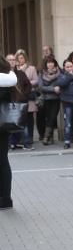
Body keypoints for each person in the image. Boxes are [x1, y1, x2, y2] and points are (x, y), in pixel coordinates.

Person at [0, 59, 18, 209]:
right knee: (3, 161)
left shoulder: (4, 81)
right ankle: (5, 198)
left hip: (1, 125)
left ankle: (5, 199)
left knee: (2, 161)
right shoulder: (8, 79)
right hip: (3, 126)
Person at [5, 54, 31, 149]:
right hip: (8, 102)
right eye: (9, 60)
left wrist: (23, 97)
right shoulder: (4, 74)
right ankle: (11, 143)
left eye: (13, 59)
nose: (12, 61)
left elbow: (28, 86)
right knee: (8, 123)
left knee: (22, 123)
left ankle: (26, 142)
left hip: (20, 102)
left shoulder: (20, 73)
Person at [15, 50, 37, 149]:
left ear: (25, 58)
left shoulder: (31, 68)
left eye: (22, 58)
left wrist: (26, 82)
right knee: (19, 119)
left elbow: (36, 80)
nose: (20, 60)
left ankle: (30, 137)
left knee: (29, 118)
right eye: (19, 58)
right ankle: (21, 138)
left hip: (29, 95)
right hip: (19, 97)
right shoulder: (14, 70)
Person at [38, 57, 62, 145]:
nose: (50, 64)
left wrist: (58, 88)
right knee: (49, 117)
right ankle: (50, 137)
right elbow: (41, 87)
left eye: (52, 62)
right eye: (48, 63)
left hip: (56, 98)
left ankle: (46, 137)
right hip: (46, 98)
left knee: (52, 117)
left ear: (54, 63)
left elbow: (62, 83)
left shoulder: (60, 72)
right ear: (46, 64)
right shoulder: (41, 73)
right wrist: (53, 88)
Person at [36, 45, 54, 141]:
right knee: (40, 115)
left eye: (47, 50)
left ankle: (49, 135)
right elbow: (39, 78)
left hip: (52, 95)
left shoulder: (55, 63)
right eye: (43, 51)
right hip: (42, 95)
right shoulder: (40, 63)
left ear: (51, 51)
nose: (45, 52)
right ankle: (42, 134)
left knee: (51, 115)